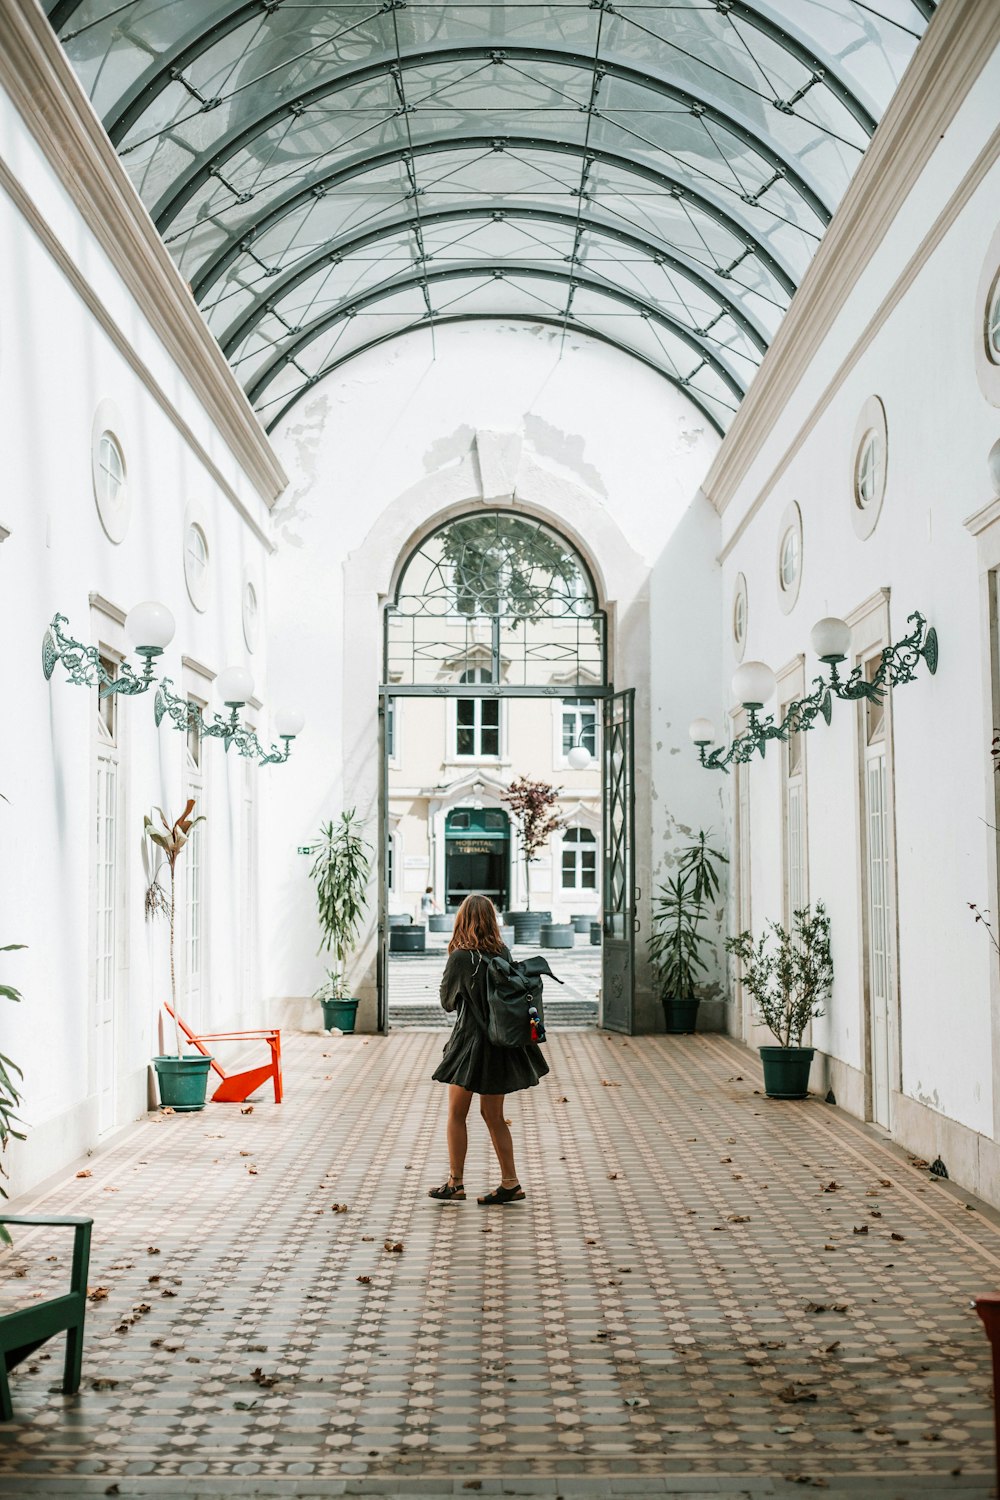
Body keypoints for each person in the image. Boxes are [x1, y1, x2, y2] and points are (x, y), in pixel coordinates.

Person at [428, 893, 548, 1205]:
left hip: (469, 1045)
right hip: (501, 1044)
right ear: (491, 920)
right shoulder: (502, 952)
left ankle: (456, 1183)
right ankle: (510, 1182)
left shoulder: (460, 958)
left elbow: (447, 1002)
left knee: (457, 1113)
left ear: (462, 919)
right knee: (494, 1115)